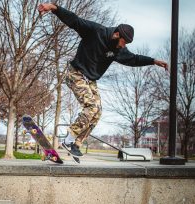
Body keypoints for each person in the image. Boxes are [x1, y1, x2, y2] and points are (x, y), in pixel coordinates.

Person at [38, 3, 168, 158]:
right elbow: (74, 21)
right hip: (76, 74)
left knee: (98, 112)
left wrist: (153, 61)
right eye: (123, 42)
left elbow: (133, 59)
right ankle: (68, 139)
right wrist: (54, 8)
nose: (123, 46)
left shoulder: (119, 50)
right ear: (117, 34)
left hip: (90, 80)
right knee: (91, 107)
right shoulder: (95, 31)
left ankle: (76, 144)